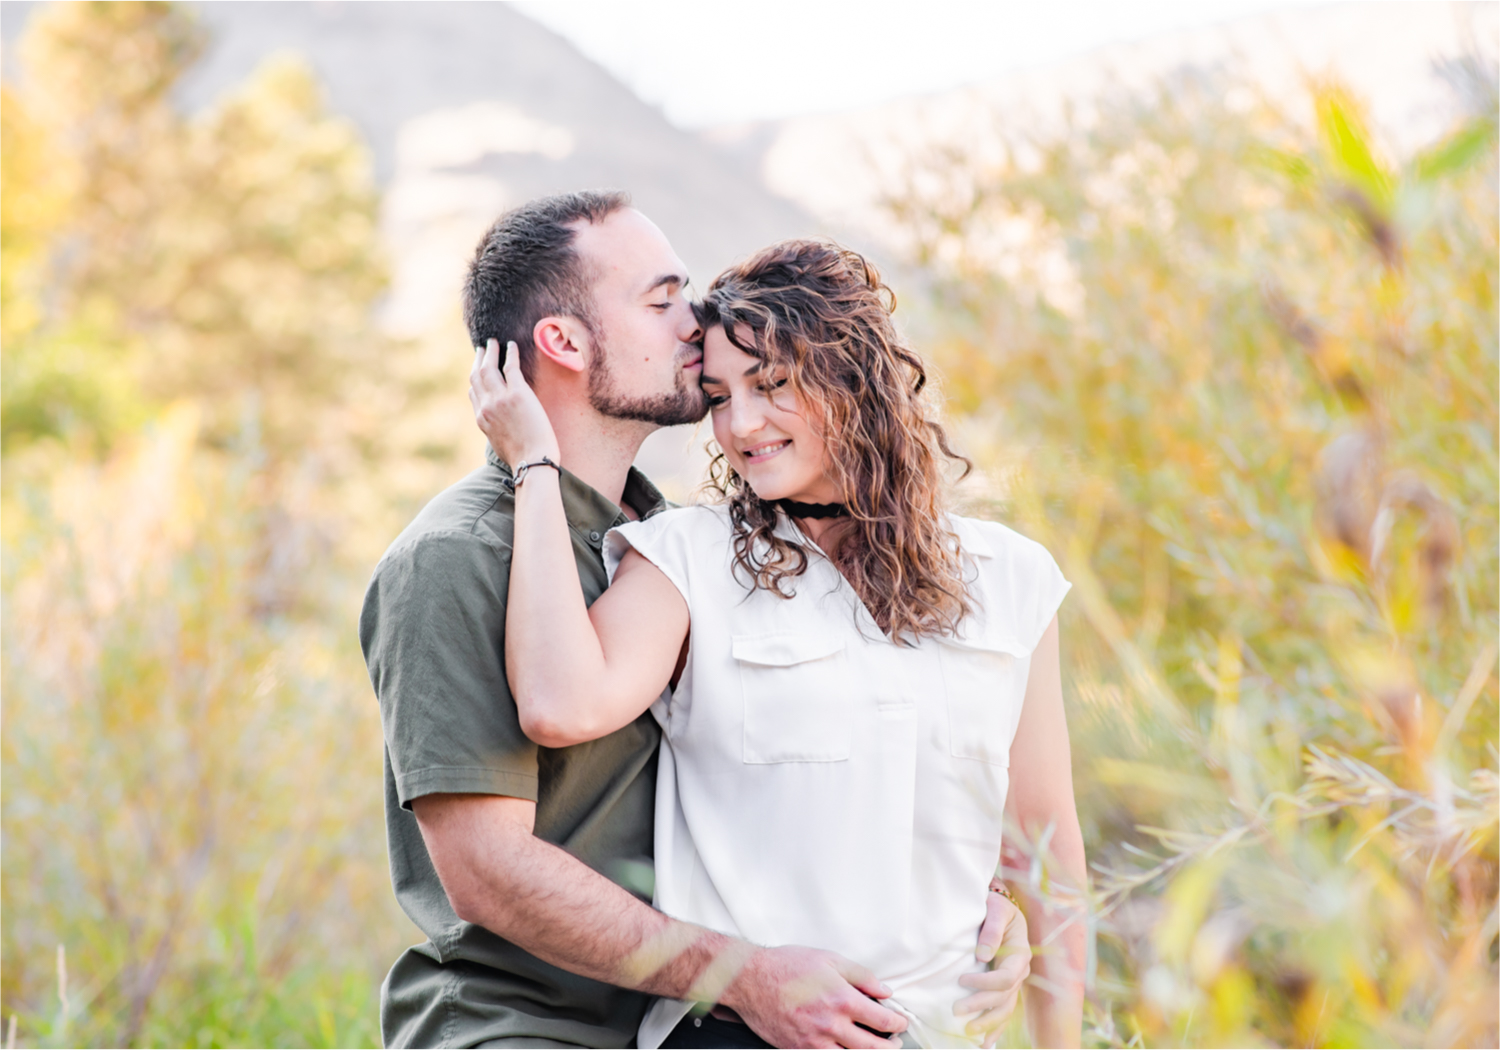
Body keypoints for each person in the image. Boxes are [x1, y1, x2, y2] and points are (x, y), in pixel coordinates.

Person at [362, 191, 1029, 1049]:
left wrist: (974, 902)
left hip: (687, 1021)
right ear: (563, 341)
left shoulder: (674, 545)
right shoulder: (455, 559)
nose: (696, 319)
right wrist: (743, 975)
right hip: (527, 1025)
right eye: (662, 297)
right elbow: (488, 875)